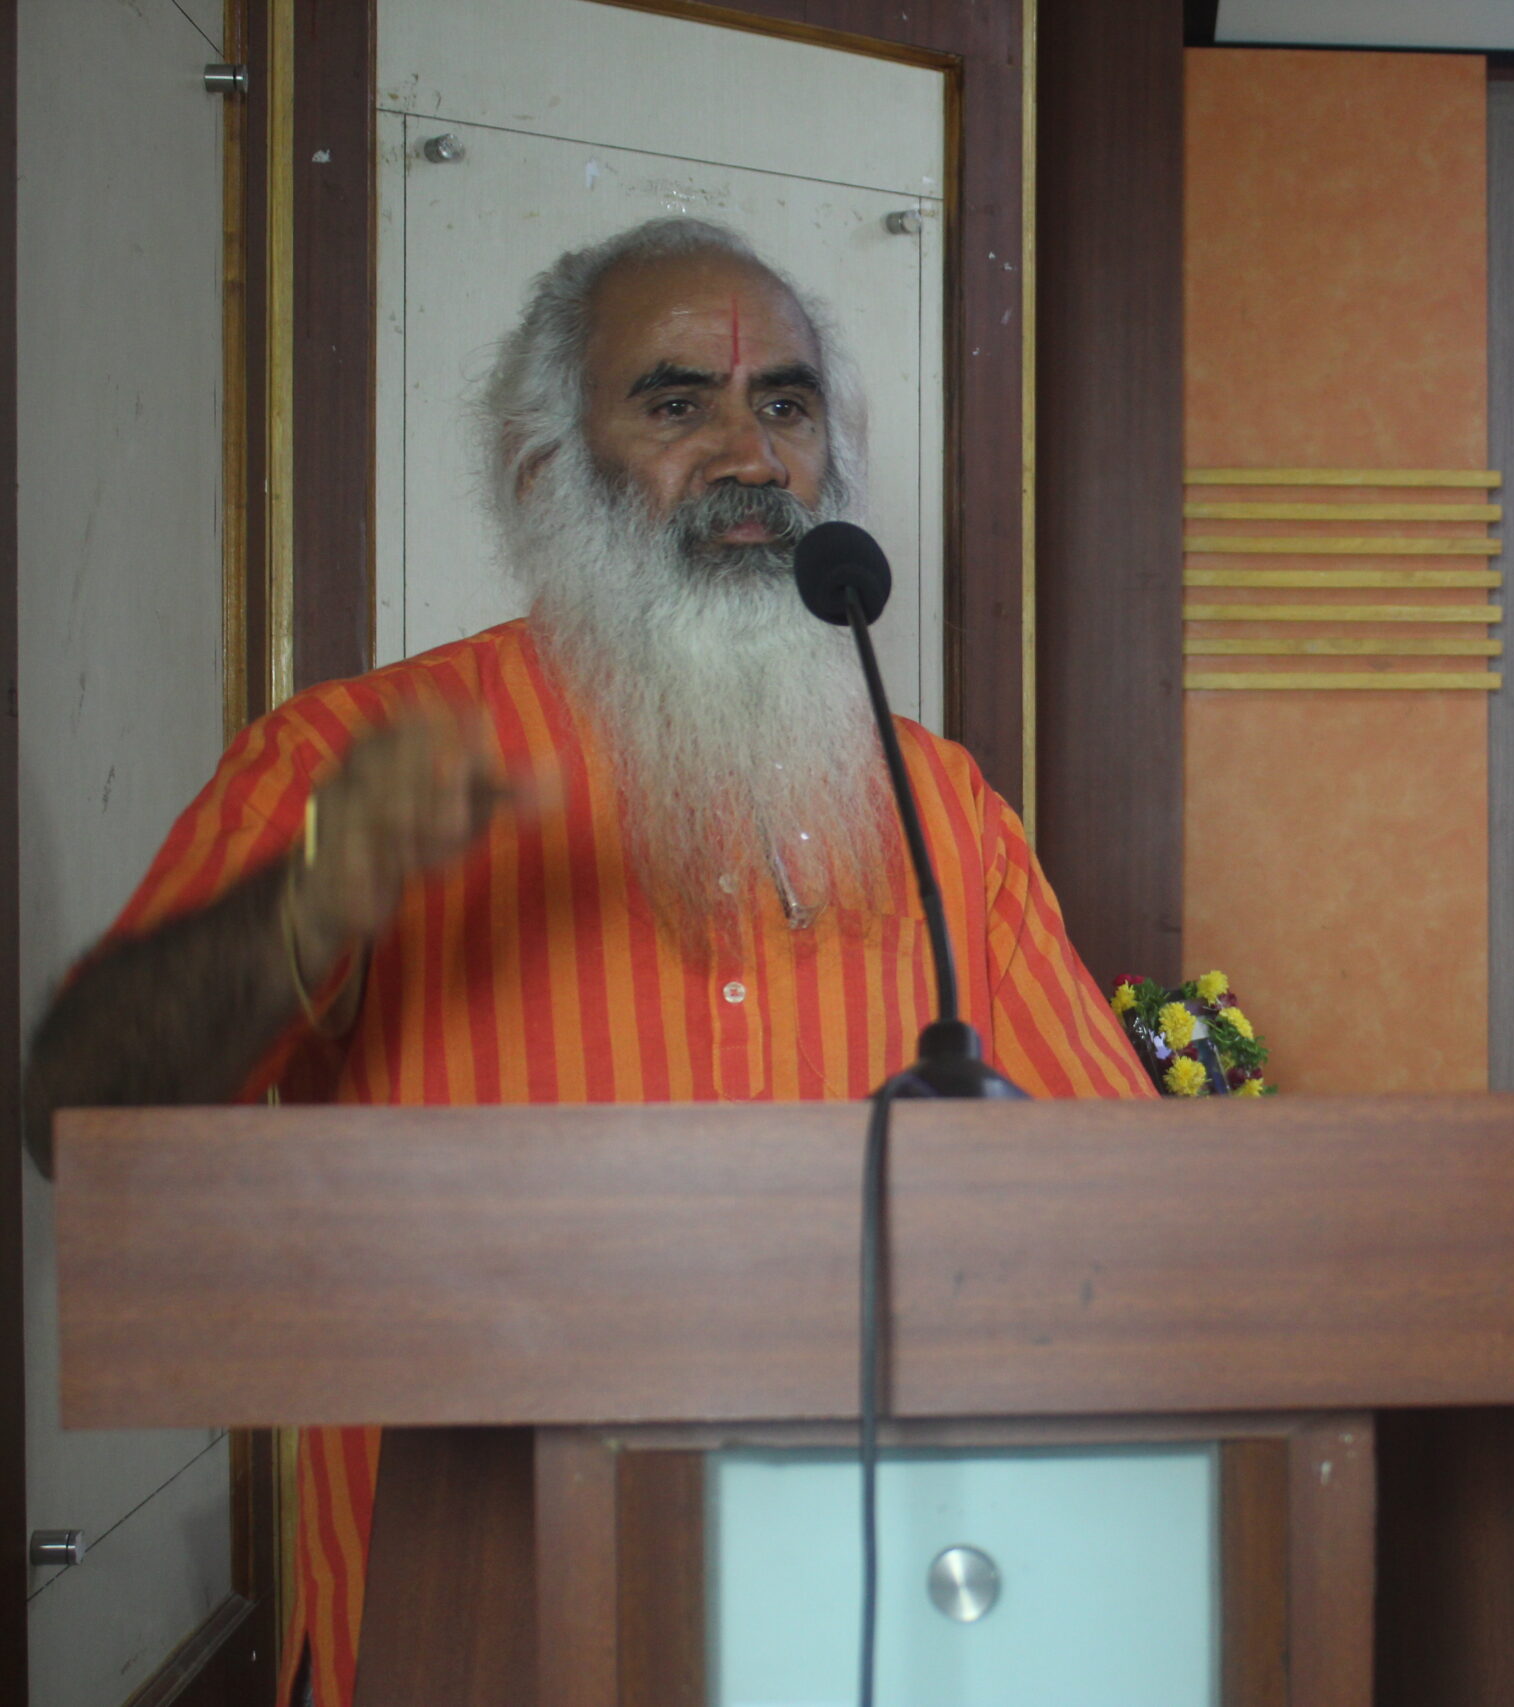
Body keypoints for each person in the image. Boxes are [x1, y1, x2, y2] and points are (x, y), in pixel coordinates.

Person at [24, 216, 1151, 1706]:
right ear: (544, 466)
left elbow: (1128, 1203)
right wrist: (308, 907)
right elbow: (81, 1121)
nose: (752, 455)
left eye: (787, 404)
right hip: (469, 1637)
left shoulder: (941, 803)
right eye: (677, 403)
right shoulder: (346, 758)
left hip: (863, 1635)